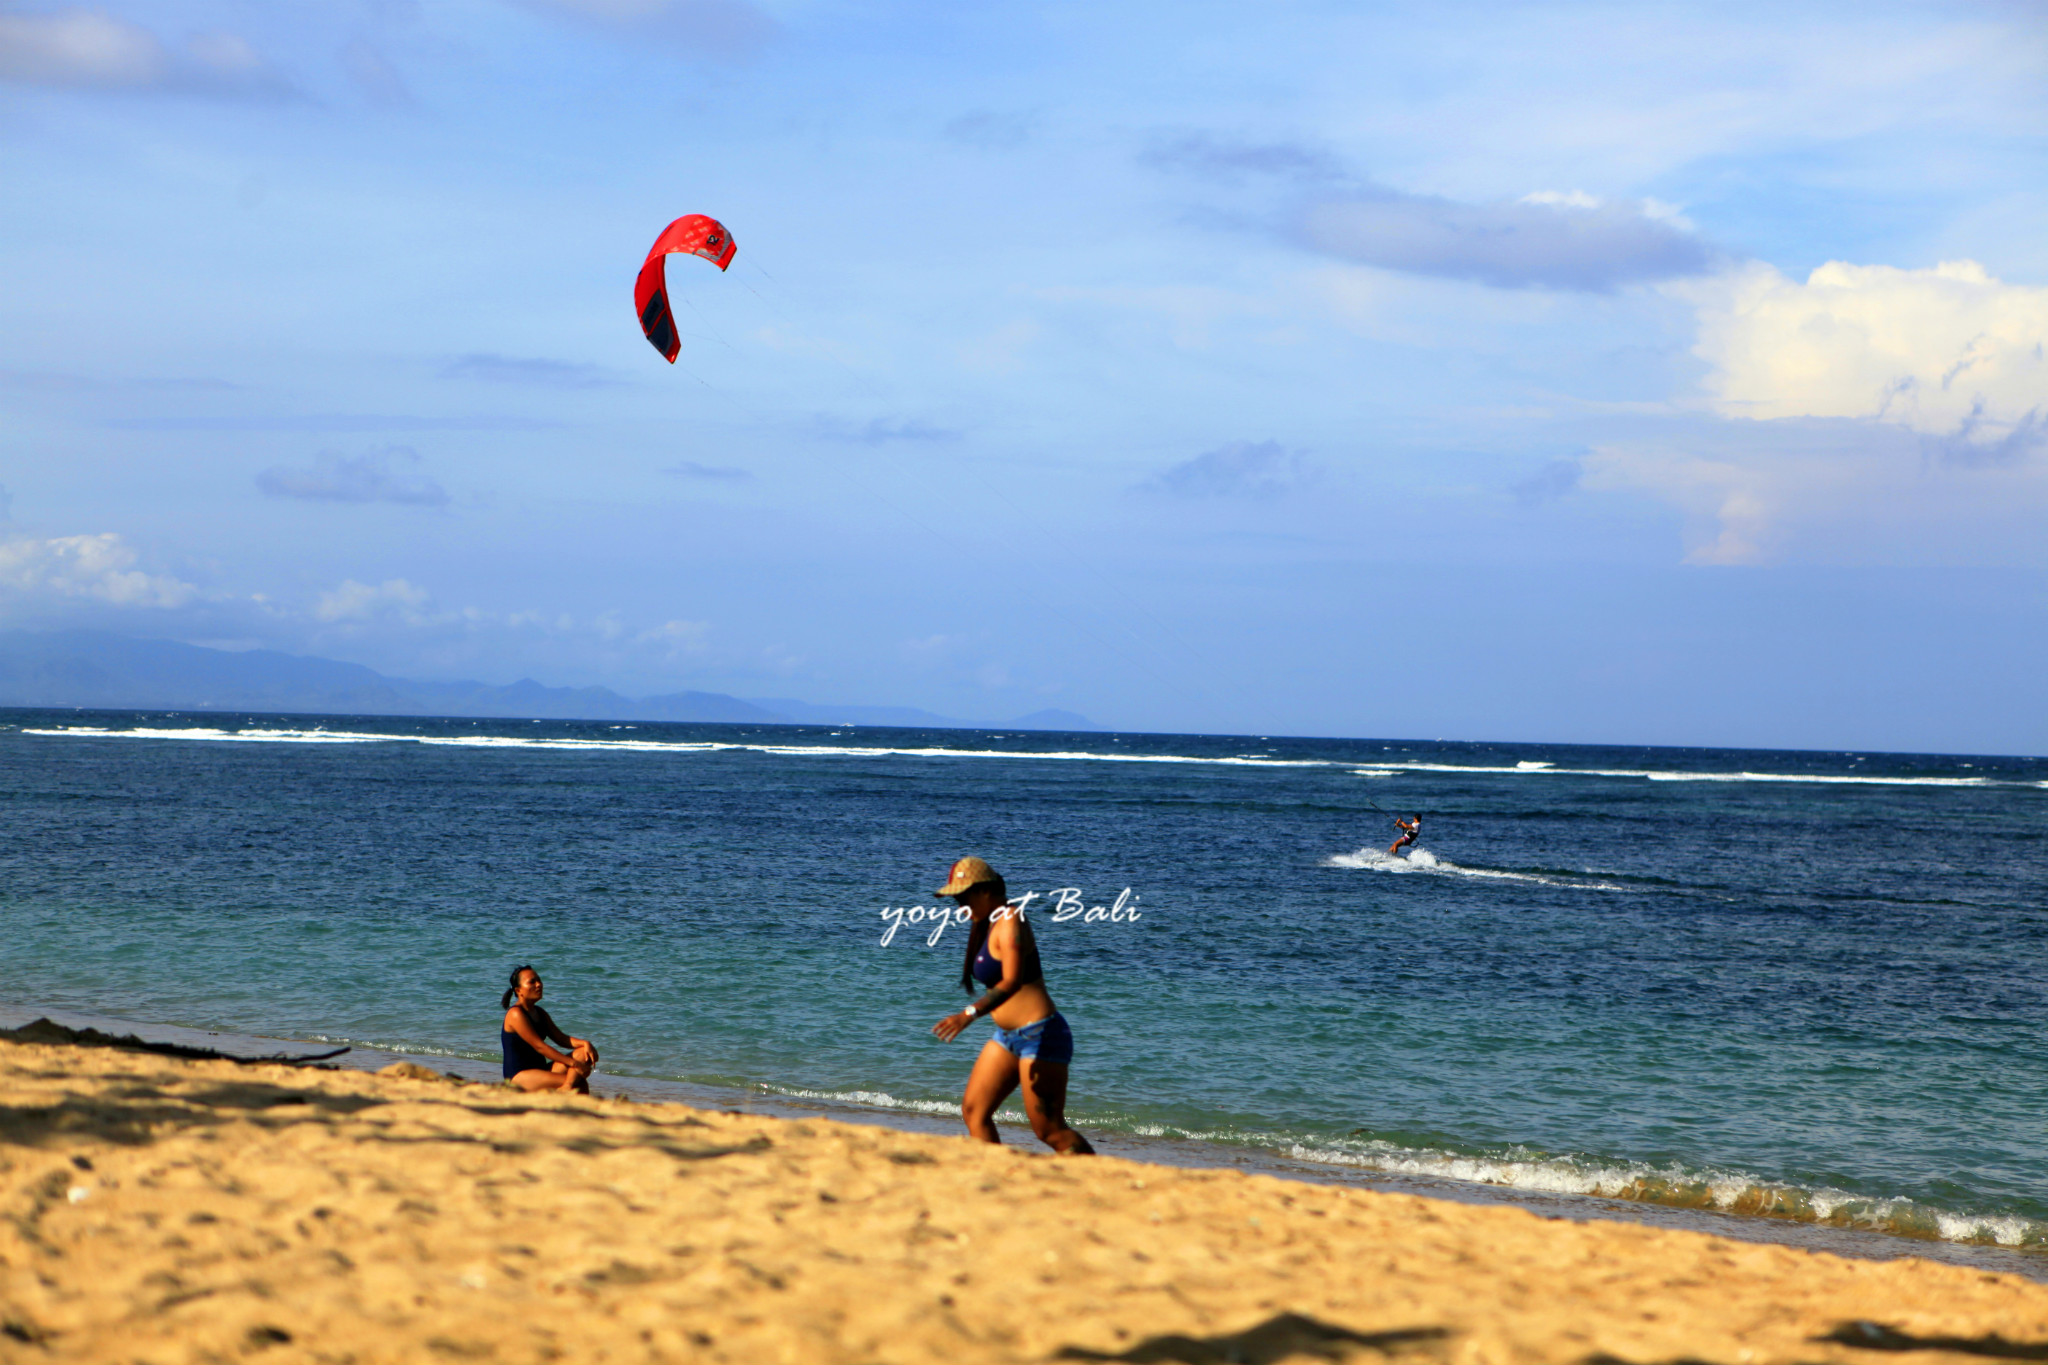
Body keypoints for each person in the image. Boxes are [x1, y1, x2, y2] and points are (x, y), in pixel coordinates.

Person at [928, 857, 1095, 1155]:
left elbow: (1012, 980)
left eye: (963, 897)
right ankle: (994, 1173)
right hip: (1007, 1038)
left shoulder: (1011, 920)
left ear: (986, 891)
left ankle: (1097, 1178)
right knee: (974, 1111)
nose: (959, 906)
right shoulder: (988, 924)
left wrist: (969, 1013)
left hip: (1040, 1036)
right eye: (955, 900)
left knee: (1049, 1130)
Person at [500, 965, 599, 1093]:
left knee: (584, 1054)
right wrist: (573, 1064)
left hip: (540, 1070)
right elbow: (540, 1047)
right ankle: (568, 1088)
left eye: (539, 980)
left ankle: (566, 1087)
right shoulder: (515, 1014)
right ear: (519, 991)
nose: (538, 984)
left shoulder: (539, 1012)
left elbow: (561, 1038)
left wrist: (585, 1043)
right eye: (532, 982)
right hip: (519, 1076)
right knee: (580, 1085)